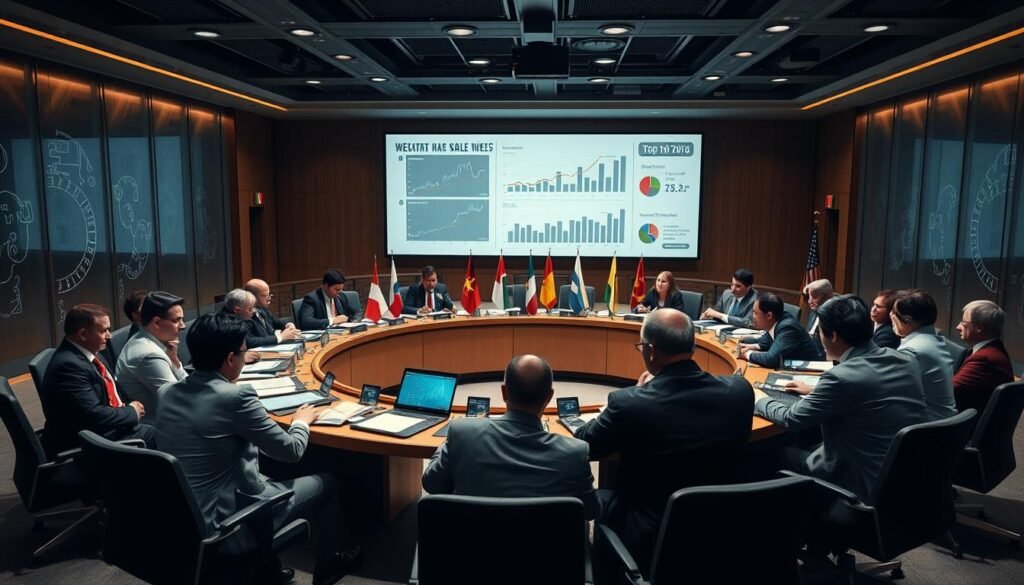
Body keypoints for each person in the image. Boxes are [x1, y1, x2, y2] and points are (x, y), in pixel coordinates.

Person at [155, 313, 359, 585]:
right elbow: (292, 451)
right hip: (227, 523)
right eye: (244, 351)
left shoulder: (166, 392)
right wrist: (301, 421)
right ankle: (330, 564)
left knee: (263, 473)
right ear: (230, 359)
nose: (245, 355)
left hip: (180, 517)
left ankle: (268, 570)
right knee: (327, 483)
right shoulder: (236, 397)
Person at [574, 309, 752, 572]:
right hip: (723, 526)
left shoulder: (629, 403)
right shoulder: (740, 391)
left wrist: (638, 393)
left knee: (596, 502)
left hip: (651, 536)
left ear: (651, 351)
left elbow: (586, 444)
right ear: (693, 346)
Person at [754, 295, 928, 499]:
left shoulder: (840, 377)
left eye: (819, 332)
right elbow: (869, 391)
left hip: (856, 480)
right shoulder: (906, 360)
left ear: (833, 335)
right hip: (903, 476)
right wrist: (815, 390)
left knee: (766, 448)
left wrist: (758, 398)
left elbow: (792, 419)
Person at [422, 354, 600, 519]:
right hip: (547, 552)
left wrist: (450, 442)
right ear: (550, 396)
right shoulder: (575, 452)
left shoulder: (462, 432)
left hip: (470, 550)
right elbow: (591, 511)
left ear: (504, 392)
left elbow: (432, 484)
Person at [40, 304, 154, 458]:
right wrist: (131, 412)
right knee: (163, 435)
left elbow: (113, 390)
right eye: (103, 330)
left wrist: (131, 408)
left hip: (105, 428)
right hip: (89, 441)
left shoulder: (90, 351)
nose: (109, 335)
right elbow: (94, 415)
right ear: (83, 334)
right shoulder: (68, 366)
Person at [115, 291, 187, 417]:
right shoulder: (149, 355)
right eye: (176, 320)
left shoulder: (143, 339)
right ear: (157, 323)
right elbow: (181, 400)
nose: (183, 326)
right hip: (161, 427)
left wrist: (174, 359)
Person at [891, 289, 957, 421]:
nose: (891, 315)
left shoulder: (911, 351)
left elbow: (891, 391)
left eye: (894, 312)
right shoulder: (936, 341)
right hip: (945, 425)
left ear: (907, 319)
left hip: (925, 430)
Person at [953, 300, 1014, 416]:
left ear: (979, 328)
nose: (958, 327)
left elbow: (948, 392)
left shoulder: (985, 359)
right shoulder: (994, 348)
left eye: (963, 322)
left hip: (966, 426)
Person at [736, 292, 822, 367]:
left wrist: (747, 354)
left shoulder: (787, 327)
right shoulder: (776, 322)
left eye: (756, 313)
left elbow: (771, 359)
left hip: (809, 372)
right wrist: (750, 345)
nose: (753, 317)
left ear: (769, 315)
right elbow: (765, 341)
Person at [243, 278, 302, 348]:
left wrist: (288, 325)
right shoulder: (245, 314)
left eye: (269, 295)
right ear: (252, 296)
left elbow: (274, 321)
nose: (269, 298)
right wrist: (280, 337)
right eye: (265, 296)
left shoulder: (262, 308)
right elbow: (250, 341)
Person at [804, 279, 835, 357]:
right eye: (809, 296)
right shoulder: (814, 311)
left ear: (827, 297)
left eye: (814, 297)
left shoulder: (834, 317)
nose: (809, 301)